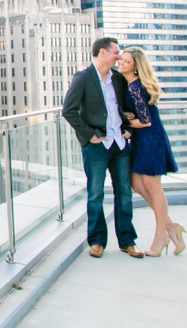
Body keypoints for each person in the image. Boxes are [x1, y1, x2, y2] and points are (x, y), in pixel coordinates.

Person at [63, 37, 143, 259]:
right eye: (115, 52)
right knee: (95, 194)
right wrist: (91, 136)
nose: (118, 56)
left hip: (120, 144)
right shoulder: (83, 78)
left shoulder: (118, 79)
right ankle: (97, 241)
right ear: (101, 52)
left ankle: (128, 241)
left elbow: (128, 108)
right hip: (97, 146)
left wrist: (129, 130)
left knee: (124, 194)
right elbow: (69, 111)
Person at [117, 47, 187, 256]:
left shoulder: (136, 88)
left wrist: (127, 120)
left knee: (152, 186)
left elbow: (146, 121)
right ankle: (171, 227)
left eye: (126, 61)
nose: (121, 63)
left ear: (136, 67)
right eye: (121, 59)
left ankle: (160, 238)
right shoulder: (129, 86)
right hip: (140, 140)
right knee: (137, 184)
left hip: (150, 139)